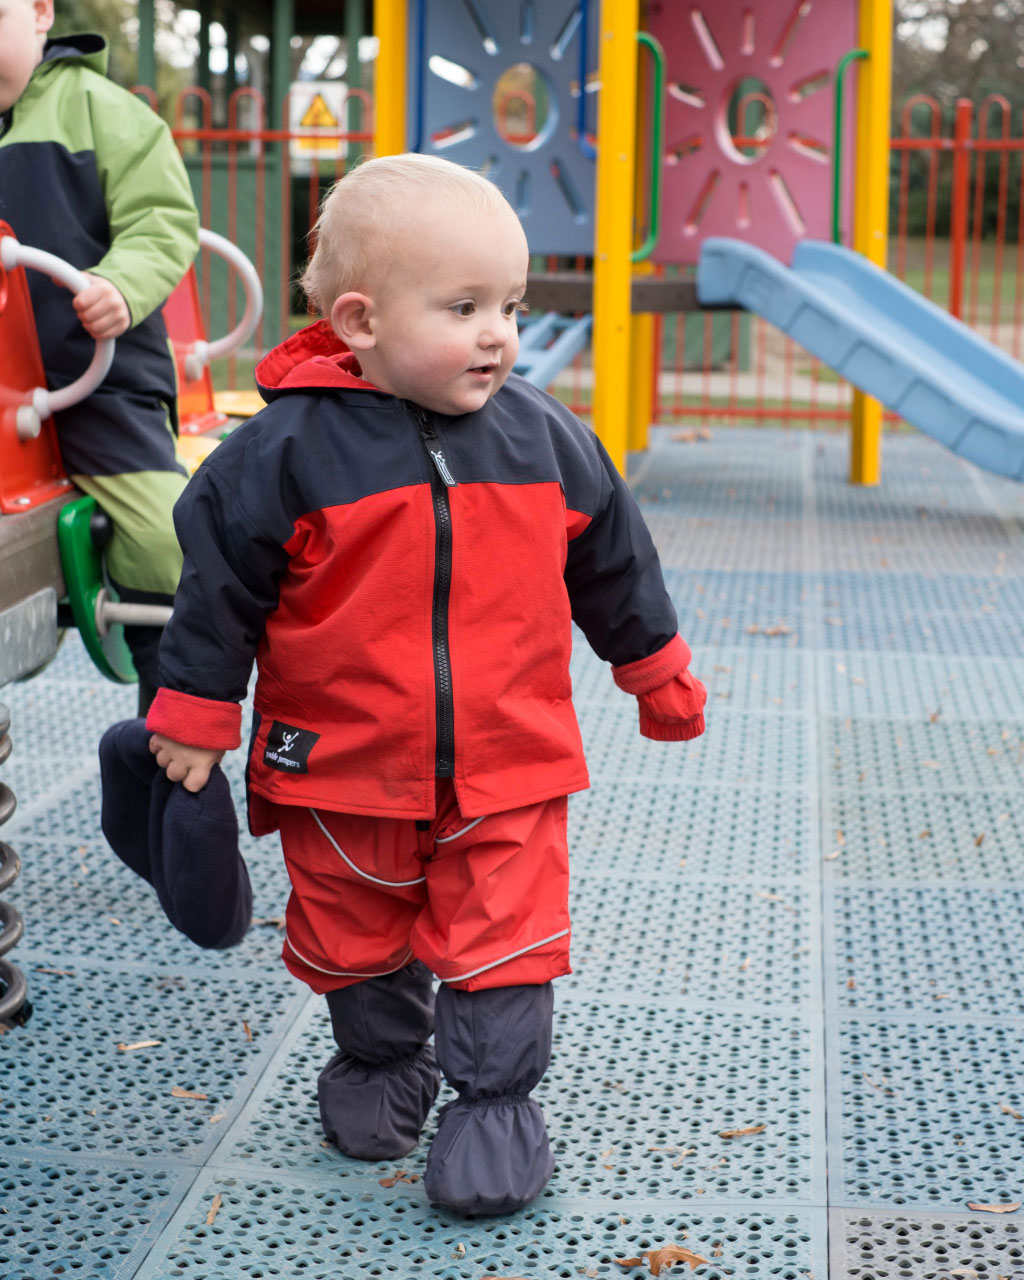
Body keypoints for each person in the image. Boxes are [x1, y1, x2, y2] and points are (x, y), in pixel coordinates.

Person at [143, 153, 707, 1217]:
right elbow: (218, 591)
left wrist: (653, 664)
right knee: (356, 934)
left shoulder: (542, 436)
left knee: (504, 938)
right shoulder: (280, 456)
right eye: (464, 306)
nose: (500, 331)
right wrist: (198, 709)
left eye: (511, 304)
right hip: (342, 767)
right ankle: (381, 1058)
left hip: (508, 763)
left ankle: (493, 1106)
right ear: (358, 320)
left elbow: (614, 558)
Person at [0, 0, 200, 712]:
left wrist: (120, 284)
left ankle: (174, 705)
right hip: (3, 394)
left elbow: (162, 219)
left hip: (90, 379)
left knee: (160, 529)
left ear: (40, 15)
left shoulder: (100, 111)